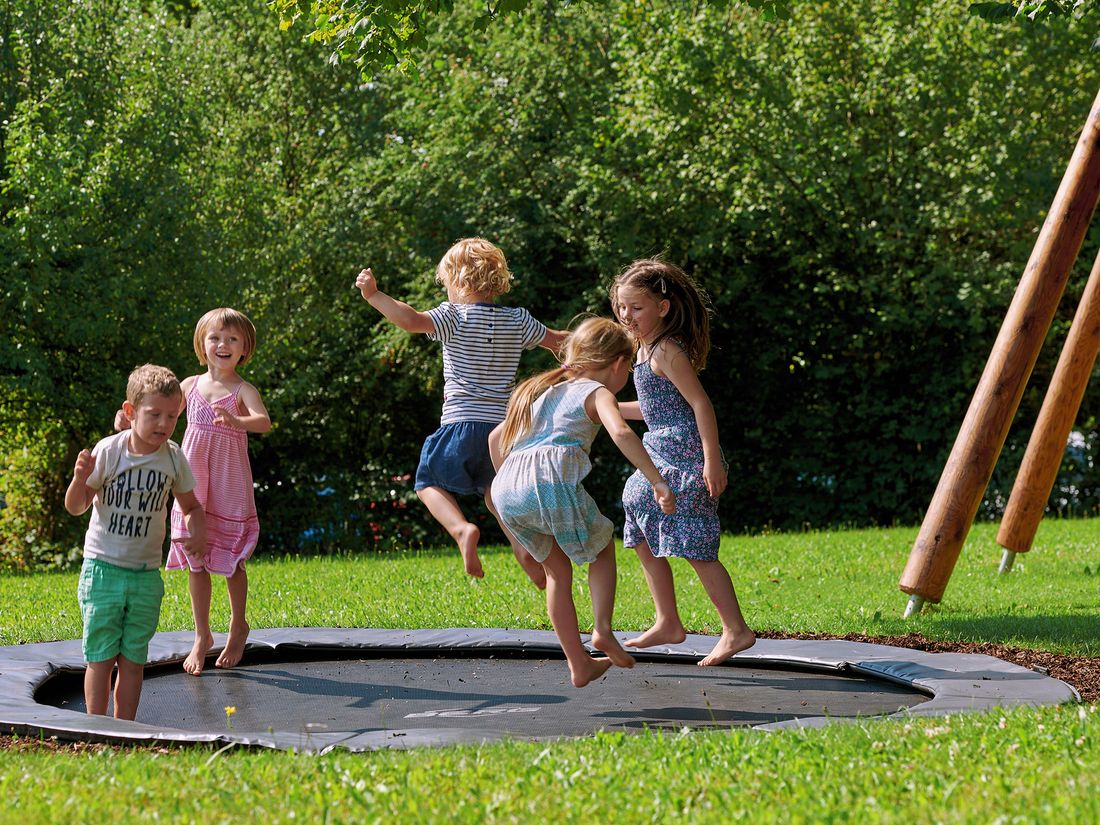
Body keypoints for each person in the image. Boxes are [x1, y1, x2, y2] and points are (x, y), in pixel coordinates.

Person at [355, 238, 567, 588]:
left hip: (461, 424)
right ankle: (527, 552)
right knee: (497, 497)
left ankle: (461, 530)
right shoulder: (518, 320)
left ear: (458, 280)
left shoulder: (452, 316)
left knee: (427, 483)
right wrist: (608, 341)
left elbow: (409, 320)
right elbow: (559, 341)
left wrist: (375, 296)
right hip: (505, 434)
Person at [488, 318, 677, 688]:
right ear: (619, 364)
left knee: (558, 573)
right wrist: (656, 479)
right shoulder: (597, 390)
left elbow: (496, 439)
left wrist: (508, 484)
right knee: (603, 547)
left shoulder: (543, 391)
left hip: (507, 486)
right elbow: (621, 431)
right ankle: (602, 631)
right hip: (549, 482)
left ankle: (579, 663)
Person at [610, 258, 755, 667]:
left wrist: (712, 461)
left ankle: (735, 630)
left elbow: (699, 404)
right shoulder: (642, 349)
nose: (627, 315)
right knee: (637, 508)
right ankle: (667, 620)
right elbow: (654, 408)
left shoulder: (666, 349)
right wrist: (607, 408)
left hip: (686, 453)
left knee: (695, 545)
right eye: (622, 308)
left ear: (663, 307)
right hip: (661, 446)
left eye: (636, 308)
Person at [117, 308, 270, 676]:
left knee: (233, 559)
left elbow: (263, 422)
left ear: (244, 348)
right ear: (202, 345)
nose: (223, 345)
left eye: (232, 340)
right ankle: (202, 635)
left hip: (229, 484)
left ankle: (238, 626)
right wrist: (131, 418)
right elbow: (163, 413)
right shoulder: (188, 386)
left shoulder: (242, 390)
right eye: (215, 338)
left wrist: (238, 420)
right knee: (195, 558)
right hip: (193, 484)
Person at [65, 364, 206, 720]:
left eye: (172, 416)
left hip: (145, 576)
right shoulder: (110, 451)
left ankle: (125, 728)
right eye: (154, 414)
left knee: (132, 659)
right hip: (103, 570)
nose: (163, 423)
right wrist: (79, 480)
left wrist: (196, 529)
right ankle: (96, 727)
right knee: (101, 656)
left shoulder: (173, 457)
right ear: (129, 412)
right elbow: (77, 507)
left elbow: (191, 506)